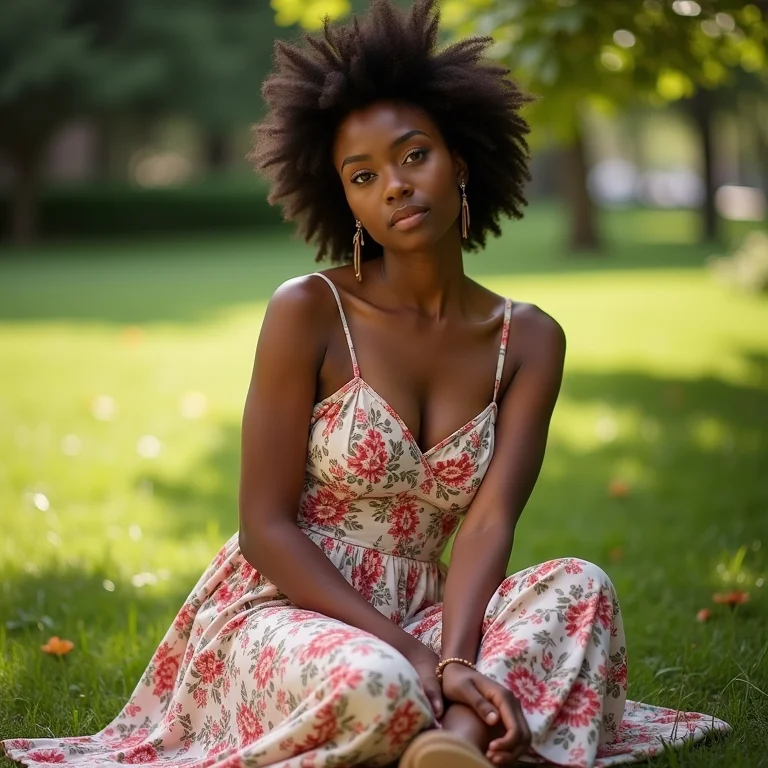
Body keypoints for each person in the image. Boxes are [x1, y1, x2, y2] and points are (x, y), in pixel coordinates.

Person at [1, 1, 728, 767]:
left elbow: (487, 525)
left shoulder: (530, 339)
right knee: (379, 679)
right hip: (290, 606)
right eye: (363, 175)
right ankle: (453, 726)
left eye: (415, 156)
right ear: (343, 198)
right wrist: (414, 658)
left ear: (462, 159)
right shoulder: (309, 312)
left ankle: (454, 744)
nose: (395, 187)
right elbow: (265, 527)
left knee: (580, 585)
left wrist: (450, 655)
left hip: (434, 610)